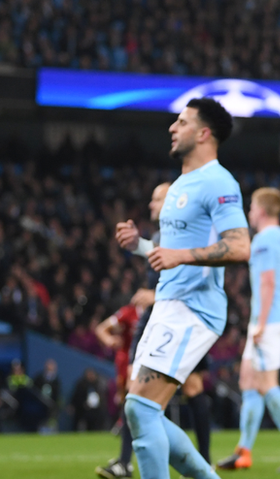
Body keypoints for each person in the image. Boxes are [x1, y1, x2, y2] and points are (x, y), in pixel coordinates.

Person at [115, 97, 250, 479]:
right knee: (142, 409)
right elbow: (168, 253)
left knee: (141, 409)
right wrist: (139, 246)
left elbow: (240, 246)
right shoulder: (179, 186)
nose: (172, 128)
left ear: (204, 133)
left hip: (193, 308)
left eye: (182, 122)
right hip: (169, 304)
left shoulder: (219, 182)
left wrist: (182, 256)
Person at [105, 181, 216, 477]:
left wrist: (154, 295)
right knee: (137, 395)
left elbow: (195, 277)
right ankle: (125, 461)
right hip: (155, 318)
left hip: (181, 319)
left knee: (186, 390)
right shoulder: (157, 236)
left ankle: (204, 460)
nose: (152, 205)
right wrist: (136, 244)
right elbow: (155, 256)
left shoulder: (188, 235)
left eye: (158, 199)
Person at [217, 187, 280, 473]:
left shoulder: (262, 241)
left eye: (250, 208)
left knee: (265, 382)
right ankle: (243, 451)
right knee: (248, 379)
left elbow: (268, 282)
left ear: (260, 209)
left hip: (267, 320)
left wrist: (261, 321)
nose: (249, 212)